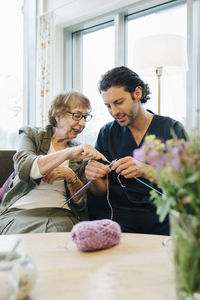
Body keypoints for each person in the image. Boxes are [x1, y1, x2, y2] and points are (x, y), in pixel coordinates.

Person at [85, 66, 187, 235]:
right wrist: (93, 177)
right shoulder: (107, 133)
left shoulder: (171, 129)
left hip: (162, 220)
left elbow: (185, 186)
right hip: (118, 222)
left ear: (137, 93)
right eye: (108, 106)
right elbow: (100, 191)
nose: (114, 112)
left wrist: (146, 170)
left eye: (119, 102)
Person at [0, 91, 106, 234]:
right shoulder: (32, 135)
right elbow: (25, 168)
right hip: (21, 211)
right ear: (58, 115)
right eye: (77, 116)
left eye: (85, 117)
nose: (82, 124)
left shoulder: (81, 153)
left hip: (61, 214)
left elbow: (80, 202)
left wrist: (71, 176)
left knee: (60, 246)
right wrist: (69, 153)